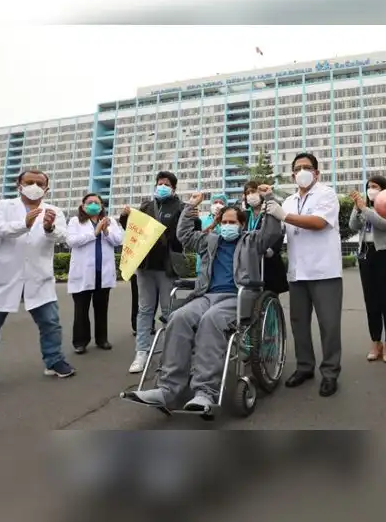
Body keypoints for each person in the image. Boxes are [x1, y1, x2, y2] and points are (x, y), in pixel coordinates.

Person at [123, 190, 283, 411]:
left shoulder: (251, 241)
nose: (228, 225)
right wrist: (190, 207)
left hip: (237, 297)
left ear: (241, 225)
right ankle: (168, 389)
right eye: (224, 221)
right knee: (179, 318)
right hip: (206, 295)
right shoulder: (210, 240)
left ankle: (205, 391)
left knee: (211, 321)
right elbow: (184, 235)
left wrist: (271, 200)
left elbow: (272, 232)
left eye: (232, 222)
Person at [0, 169, 76, 398]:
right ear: (19, 185)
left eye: (40, 183)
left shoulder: (54, 211)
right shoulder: (1, 206)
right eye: (29, 182)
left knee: (51, 324)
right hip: (2, 278)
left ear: (47, 189)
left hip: (38, 279)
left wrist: (48, 228)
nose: (35, 186)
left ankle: (54, 361)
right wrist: (23, 223)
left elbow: (62, 236)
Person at [265, 153, 343, 397]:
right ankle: (304, 367)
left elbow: (319, 223)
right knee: (299, 323)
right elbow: (280, 229)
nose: (302, 171)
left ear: (317, 173)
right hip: (298, 272)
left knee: (329, 326)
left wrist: (284, 216)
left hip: (324, 271)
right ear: (292, 175)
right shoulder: (287, 201)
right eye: (298, 168)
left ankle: (330, 373)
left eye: (307, 167)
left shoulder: (326, 194)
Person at [120, 170, 188, 374]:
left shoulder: (181, 208)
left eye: (166, 183)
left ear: (173, 188)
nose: (162, 186)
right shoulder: (146, 206)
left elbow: (183, 236)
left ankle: (170, 353)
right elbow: (133, 231)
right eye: (159, 183)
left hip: (167, 267)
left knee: (169, 312)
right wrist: (124, 219)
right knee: (145, 310)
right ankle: (142, 351)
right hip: (145, 266)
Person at [348, 176, 386, 363]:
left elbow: (385, 224)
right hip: (366, 253)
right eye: (369, 187)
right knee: (371, 300)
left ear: (383, 189)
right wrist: (356, 207)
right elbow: (353, 226)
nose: (371, 189)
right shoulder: (364, 207)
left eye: (375, 186)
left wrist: (364, 208)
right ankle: (375, 341)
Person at [67, 193, 124, 354]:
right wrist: (94, 232)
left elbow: (118, 240)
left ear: (101, 206)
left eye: (96, 202)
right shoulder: (75, 221)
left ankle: (102, 339)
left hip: (103, 272)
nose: (93, 205)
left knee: (101, 308)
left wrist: (106, 231)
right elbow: (71, 241)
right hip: (83, 273)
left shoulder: (110, 221)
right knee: (81, 309)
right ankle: (80, 341)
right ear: (83, 206)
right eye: (89, 202)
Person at [243, 180, 289, 295]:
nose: (250, 195)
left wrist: (272, 250)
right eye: (247, 193)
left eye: (253, 191)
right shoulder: (244, 215)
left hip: (269, 259)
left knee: (270, 294)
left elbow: (279, 231)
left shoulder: (270, 209)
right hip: (251, 260)